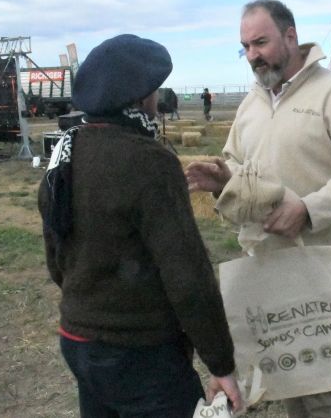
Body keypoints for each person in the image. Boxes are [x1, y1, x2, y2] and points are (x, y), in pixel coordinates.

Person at [185, 0, 331, 418]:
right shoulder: (251, 104)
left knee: (325, 386)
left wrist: (308, 210)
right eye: (245, 47)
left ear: (291, 36)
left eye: (261, 42)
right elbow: (236, 163)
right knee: (284, 376)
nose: (253, 55)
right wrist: (224, 181)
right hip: (260, 260)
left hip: (318, 261)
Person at [37, 34, 242, 417]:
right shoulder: (150, 162)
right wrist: (221, 364)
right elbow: (187, 275)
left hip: (78, 340)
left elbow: (55, 257)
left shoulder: (65, 153)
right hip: (140, 354)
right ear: (142, 98)